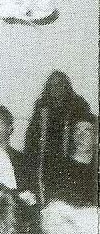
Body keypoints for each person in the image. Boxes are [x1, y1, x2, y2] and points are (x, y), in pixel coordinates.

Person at [24, 71, 92, 204]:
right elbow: (31, 141)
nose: (56, 89)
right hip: (45, 164)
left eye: (60, 84)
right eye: (52, 85)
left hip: (72, 164)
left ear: (67, 87)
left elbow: (84, 135)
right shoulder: (42, 108)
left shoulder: (78, 107)